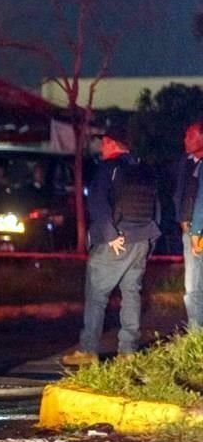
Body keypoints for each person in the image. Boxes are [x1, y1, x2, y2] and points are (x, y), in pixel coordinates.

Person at [61, 129, 160, 366]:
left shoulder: (108, 168)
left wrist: (110, 235)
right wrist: (150, 243)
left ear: (112, 144)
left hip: (117, 241)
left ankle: (88, 350)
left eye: (103, 143)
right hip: (141, 240)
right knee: (131, 294)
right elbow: (156, 207)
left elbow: (97, 202)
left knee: (96, 295)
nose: (101, 148)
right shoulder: (144, 169)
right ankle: (128, 352)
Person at [179, 120, 203, 329]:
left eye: (189, 135)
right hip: (192, 231)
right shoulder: (188, 163)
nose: (185, 139)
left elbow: (201, 200)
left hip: (198, 234)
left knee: (193, 288)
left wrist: (195, 232)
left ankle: (195, 338)